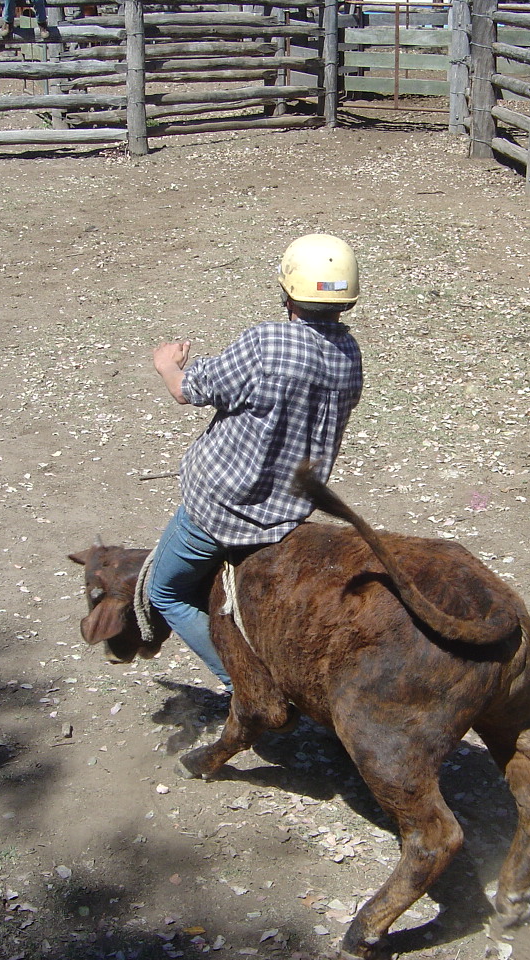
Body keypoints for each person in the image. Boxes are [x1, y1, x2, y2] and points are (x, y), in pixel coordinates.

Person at [147, 234, 364, 691]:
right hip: (289, 513)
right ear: (346, 302)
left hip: (223, 507)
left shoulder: (267, 342)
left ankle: (243, 682)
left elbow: (189, 390)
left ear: (287, 293)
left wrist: (169, 365)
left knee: (164, 592)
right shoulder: (350, 355)